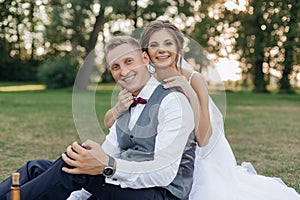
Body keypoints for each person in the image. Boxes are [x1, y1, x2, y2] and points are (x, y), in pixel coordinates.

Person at [70, 19, 300, 200]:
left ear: (179, 47)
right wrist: (119, 107)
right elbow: (111, 122)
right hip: (154, 152)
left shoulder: (194, 80)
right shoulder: (142, 77)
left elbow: (204, 138)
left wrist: (189, 93)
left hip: (192, 159)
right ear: (145, 52)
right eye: (154, 45)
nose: (162, 50)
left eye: (168, 44)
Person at [0, 36, 196, 200]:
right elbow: (106, 152)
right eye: (115, 67)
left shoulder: (173, 102)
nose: (124, 72)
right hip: (126, 184)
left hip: (161, 194)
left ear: (145, 58)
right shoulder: (126, 103)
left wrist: (109, 166)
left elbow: (164, 174)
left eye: (129, 61)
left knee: (78, 165)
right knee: (37, 167)